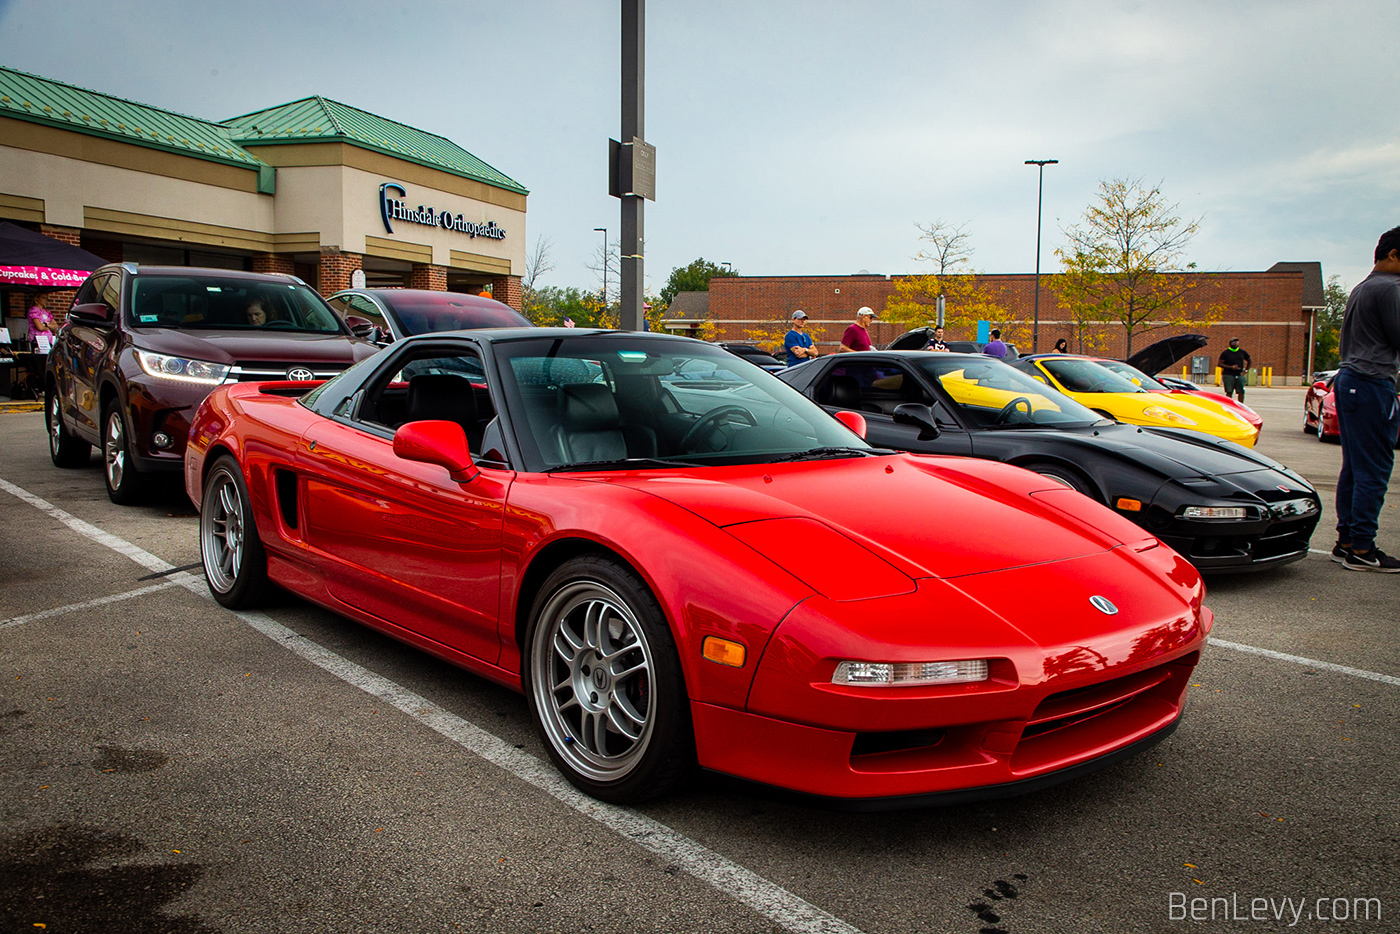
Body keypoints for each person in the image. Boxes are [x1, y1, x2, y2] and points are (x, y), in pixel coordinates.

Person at [1332, 224, 1400, 572]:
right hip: (1372, 381)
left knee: (1356, 466)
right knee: (1373, 468)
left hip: (1350, 380)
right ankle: (1361, 548)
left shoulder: (1363, 287)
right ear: (1393, 254)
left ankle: (1347, 539)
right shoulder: (1391, 289)